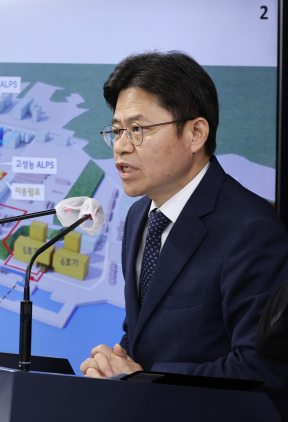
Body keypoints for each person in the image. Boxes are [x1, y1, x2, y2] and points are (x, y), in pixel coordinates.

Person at [79, 51, 288, 416]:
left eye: (138, 130)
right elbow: (143, 331)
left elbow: (261, 370)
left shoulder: (252, 230)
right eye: (117, 130)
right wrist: (114, 365)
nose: (121, 145)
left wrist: (143, 382)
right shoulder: (139, 216)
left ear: (195, 133)